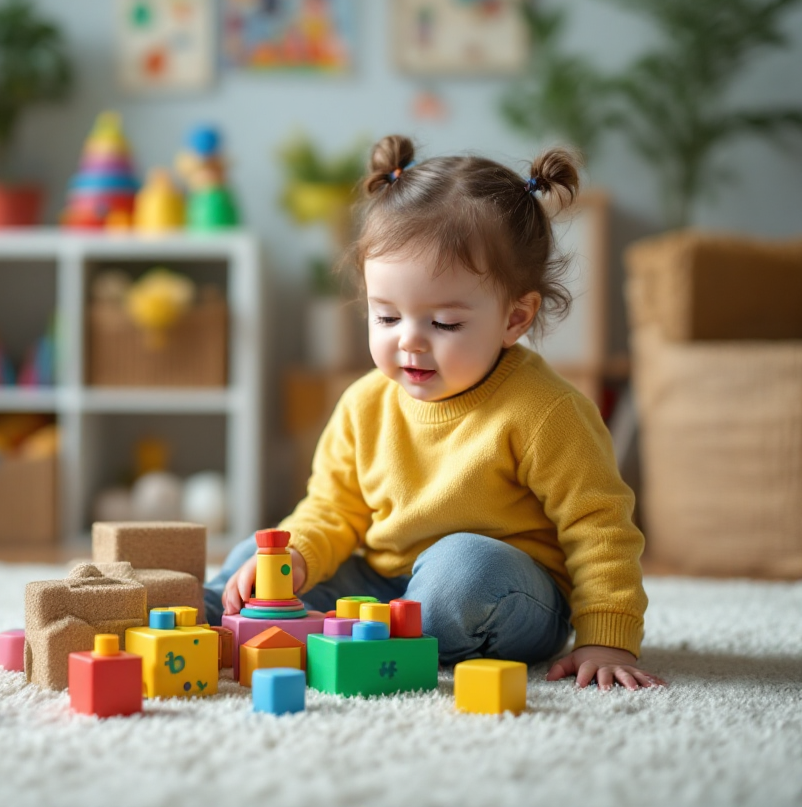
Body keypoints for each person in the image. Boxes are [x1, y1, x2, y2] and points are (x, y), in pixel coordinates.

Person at [205, 135, 664, 691]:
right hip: (383, 588)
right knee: (259, 553)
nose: (410, 344)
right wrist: (294, 559)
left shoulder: (547, 411)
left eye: (444, 324)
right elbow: (331, 510)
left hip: (505, 592)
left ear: (515, 318)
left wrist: (606, 636)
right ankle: (226, 615)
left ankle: (344, 638)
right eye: (386, 318)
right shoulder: (362, 404)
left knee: (462, 568)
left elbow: (600, 528)